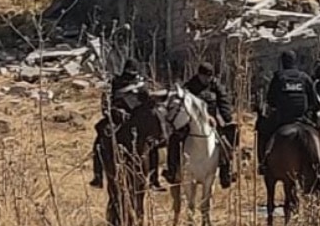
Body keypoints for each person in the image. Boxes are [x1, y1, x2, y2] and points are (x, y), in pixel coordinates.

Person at [91, 59, 163, 190]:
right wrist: (116, 111)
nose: (131, 74)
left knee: (153, 143)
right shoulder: (116, 82)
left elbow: (149, 101)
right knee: (101, 136)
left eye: (133, 72)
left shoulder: (142, 83)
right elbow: (107, 102)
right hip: (119, 118)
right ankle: (98, 175)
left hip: (138, 118)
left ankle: (154, 179)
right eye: (129, 71)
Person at [165, 61, 236, 189]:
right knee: (174, 139)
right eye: (204, 76)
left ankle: (226, 173)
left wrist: (227, 117)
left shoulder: (216, 86)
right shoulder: (190, 87)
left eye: (209, 77)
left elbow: (223, 101)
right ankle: (172, 171)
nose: (207, 79)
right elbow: (185, 102)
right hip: (193, 121)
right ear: (199, 75)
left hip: (213, 121)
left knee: (226, 142)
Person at [257, 50, 320, 152]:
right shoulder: (304, 77)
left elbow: (270, 100)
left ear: (282, 62)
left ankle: (263, 162)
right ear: (295, 61)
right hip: (303, 118)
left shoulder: (278, 77)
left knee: (263, 131)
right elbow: (314, 101)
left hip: (282, 119)